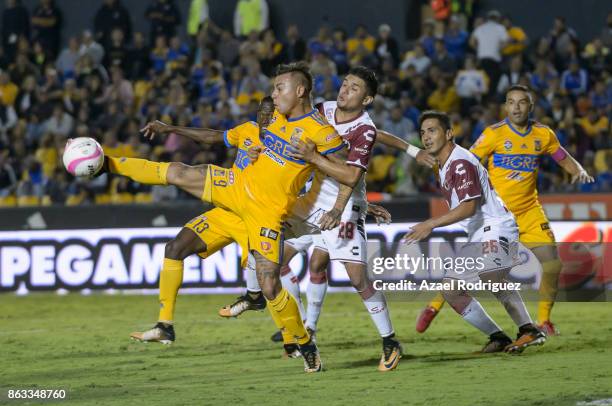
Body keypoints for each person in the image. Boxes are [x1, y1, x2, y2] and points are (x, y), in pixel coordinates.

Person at [101, 62, 347, 373]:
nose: (270, 99)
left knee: (270, 284)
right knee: (178, 174)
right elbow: (214, 137)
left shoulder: (320, 132)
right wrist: (173, 128)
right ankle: (107, 164)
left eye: (278, 89)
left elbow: (348, 173)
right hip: (234, 192)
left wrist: (340, 198)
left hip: (265, 214)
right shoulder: (262, 126)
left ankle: (303, 343)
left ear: (300, 91)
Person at [220, 67, 436, 371]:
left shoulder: (365, 131)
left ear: (368, 98)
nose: (345, 90)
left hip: (343, 208)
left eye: (354, 88)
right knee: (268, 250)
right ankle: (273, 311)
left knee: (358, 279)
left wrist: (342, 205)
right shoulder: (325, 109)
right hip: (309, 202)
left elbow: (351, 175)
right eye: (345, 83)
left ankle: (389, 340)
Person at [416, 85, 595, 336]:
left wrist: (578, 171)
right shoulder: (493, 134)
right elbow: (468, 160)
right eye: (511, 102)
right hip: (495, 214)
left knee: (551, 265)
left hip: (529, 211)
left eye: (522, 102)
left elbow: (561, 156)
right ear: (505, 106)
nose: (517, 107)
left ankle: (542, 322)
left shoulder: (543, 135)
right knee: (481, 270)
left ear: (530, 107)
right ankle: (435, 304)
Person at [405, 110, 546, 353]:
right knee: (451, 290)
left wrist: (429, 224)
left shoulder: (459, 162)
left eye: (432, 130)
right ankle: (498, 337)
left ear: (449, 133)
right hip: (479, 233)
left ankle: (530, 330)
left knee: (492, 275)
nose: (426, 137)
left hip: (496, 225)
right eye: (423, 132)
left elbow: (468, 208)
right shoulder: (443, 164)